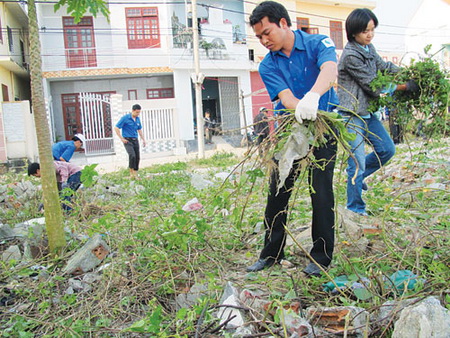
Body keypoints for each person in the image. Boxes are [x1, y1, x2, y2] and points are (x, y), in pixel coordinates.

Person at [246, 1, 339, 277]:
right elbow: (286, 99)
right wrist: (301, 107)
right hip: (291, 129)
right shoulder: (268, 65)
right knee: (277, 190)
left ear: (283, 23)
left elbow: (330, 71)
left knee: (320, 190)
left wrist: (314, 97)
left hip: (325, 128)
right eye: (259, 37)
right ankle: (271, 254)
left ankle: (321, 257)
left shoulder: (318, 42)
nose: (264, 41)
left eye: (267, 33)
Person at [337, 8, 418, 216]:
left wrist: (411, 73)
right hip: (351, 115)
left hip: (367, 112)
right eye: (365, 31)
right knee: (356, 162)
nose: (369, 34)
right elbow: (373, 86)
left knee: (387, 150)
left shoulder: (368, 48)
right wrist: (404, 87)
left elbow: (384, 67)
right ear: (353, 32)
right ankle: (355, 208)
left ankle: (360, 177)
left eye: (372, 30)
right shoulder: (350, 56)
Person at [114, 104, 146, 179]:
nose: (138, 114)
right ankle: (131, 173)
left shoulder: (138, 119)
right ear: (132, 111)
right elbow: (116, 127)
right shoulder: (125, 118)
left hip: (135, 139)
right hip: (127, 140)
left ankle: (135, 173)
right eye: (137, 112)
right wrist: (121, 138)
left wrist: (143, 139)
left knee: (137, 157)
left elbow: (139, 129)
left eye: (139, 112)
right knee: (132, 155)